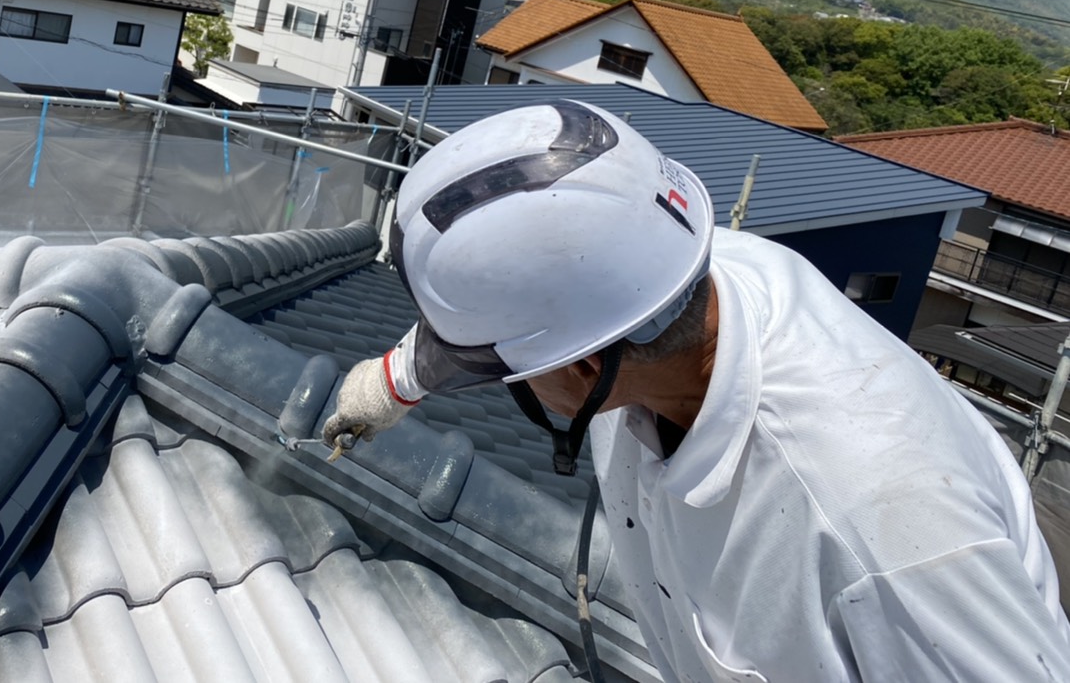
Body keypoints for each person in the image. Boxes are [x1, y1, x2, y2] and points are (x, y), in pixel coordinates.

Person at [322, 100, 1070, 682]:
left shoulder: (880, 534)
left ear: (584, 366)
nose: (502, 382)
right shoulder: (657, 276)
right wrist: (390, 386)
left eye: (508, 371)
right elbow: (528, 297)